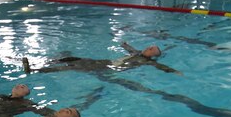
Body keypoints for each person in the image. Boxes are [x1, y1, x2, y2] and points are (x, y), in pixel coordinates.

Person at [24, 42, 181, 75]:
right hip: (105, 63)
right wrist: (124, 44)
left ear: (152, 55)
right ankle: (45, 62)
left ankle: (35, 70)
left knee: (71, 67)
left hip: (106, 68)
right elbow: (130, 49)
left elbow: (161, 67)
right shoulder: (138, 53)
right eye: (149, 46)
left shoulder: (146, 61)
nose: (148, 47)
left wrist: (173, 71)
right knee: (71, 58)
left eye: (151, 49)